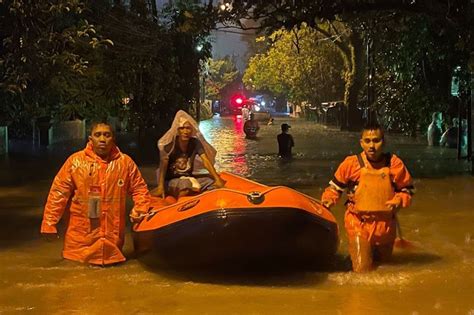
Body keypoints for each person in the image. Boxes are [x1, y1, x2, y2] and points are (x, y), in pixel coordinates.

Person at [41, 122, 151, 266]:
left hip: (112, 247)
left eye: (107, 135)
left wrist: (140, 209)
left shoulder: (125, 163)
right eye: (97, 135)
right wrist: (49, 223)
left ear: (113, 139)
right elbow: (58, 193)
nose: (102, 139)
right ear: (90, 139)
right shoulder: (75, 162)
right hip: (79, 245)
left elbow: (139, 189)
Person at [321, 122, 414, 272]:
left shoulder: (394, 164)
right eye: (367, 141)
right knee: (362, 271)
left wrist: (400, 199)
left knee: (384, 269)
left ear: (383, 142)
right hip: (358, 223)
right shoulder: (350, 164)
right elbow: (335, 189)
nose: (372, 145)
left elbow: (407, 190)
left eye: (376, 141)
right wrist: (328, 200)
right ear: (361, 143)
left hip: (386, 227)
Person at [153, 110, 225, 199]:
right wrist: (160, 186)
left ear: (192, 130)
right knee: (186, 185)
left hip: (188, 177)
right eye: (182, 128)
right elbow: (163, 166)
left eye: (188, 128)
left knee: (210, 181)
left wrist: (217, 179)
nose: (185, 131)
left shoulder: (195, 143)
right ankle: (181, 204)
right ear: (178, 131)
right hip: (171, 180)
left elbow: (205, 161)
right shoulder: (170, 145)